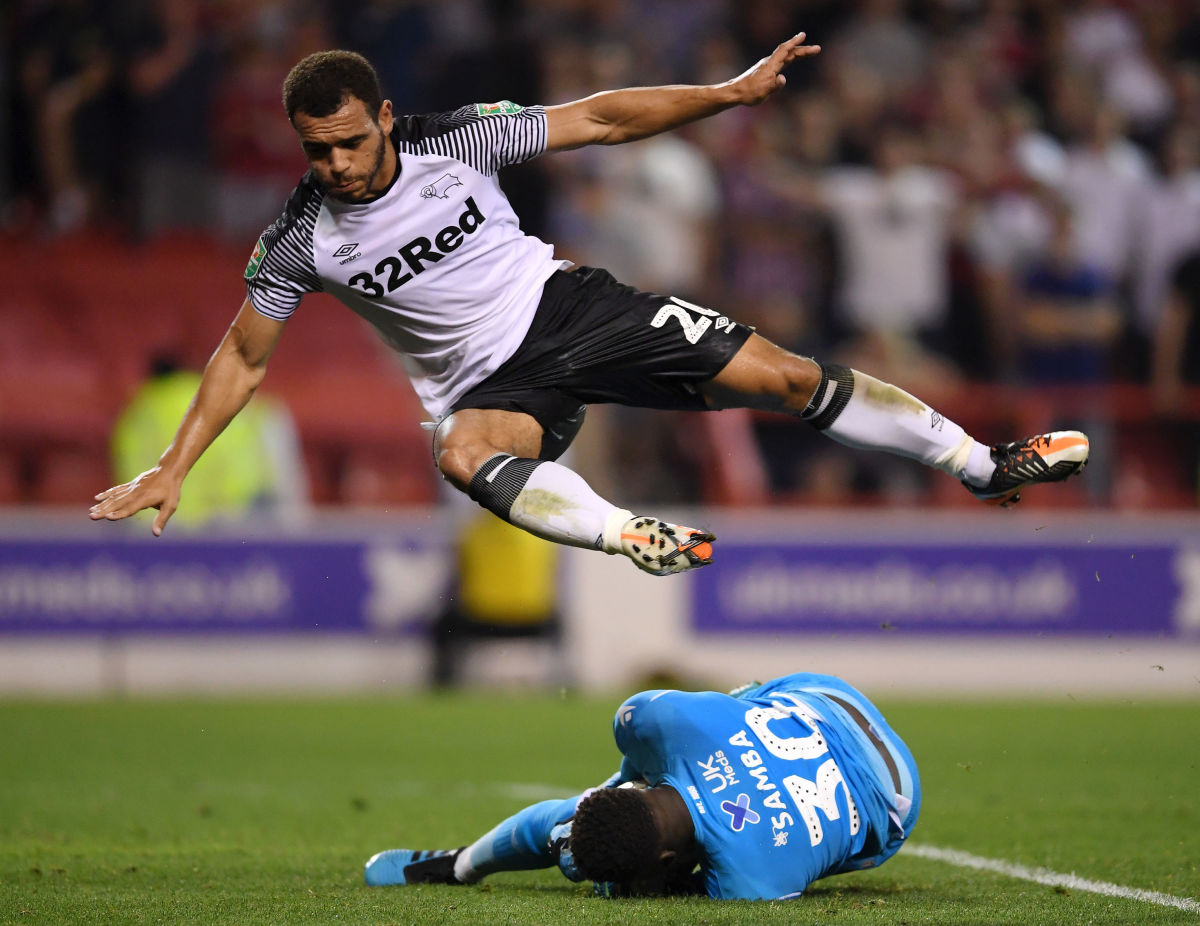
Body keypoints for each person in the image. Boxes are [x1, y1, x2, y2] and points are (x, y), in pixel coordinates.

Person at [89, 33, 1090, 576]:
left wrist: (726, 94)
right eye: (319, 151)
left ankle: (981, 463)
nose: (340, 164)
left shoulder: (456, 139)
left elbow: (602, 119)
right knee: (460, 453)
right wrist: (174, 464)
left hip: (571, 310)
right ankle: (630, 536)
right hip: (489, 389)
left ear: (384, 118)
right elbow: (243, 357)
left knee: (785, 377)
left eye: (353, 141)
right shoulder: (300, 236)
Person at [362, 672, 920, 901]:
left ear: (667, 857)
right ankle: (462, 864)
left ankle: (459, 864)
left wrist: (635, 882)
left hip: (896, 794)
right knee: (728, 709)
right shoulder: (652, 718)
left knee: (840, 847)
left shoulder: (748, 883)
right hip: (826, 699)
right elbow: (637, 776)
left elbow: (669, 883)